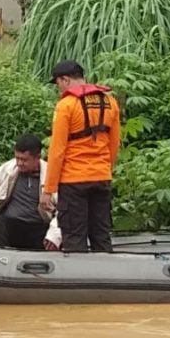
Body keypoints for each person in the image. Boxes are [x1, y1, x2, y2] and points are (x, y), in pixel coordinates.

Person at [40, 60, 121, 253]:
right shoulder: (110, 102)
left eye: (58, 83)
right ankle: (107, 279)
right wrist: (104, 171)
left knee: (74, 238)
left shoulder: (66, 105)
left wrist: (48, 190)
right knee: (101, 235)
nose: (58, 88)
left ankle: (77, 281)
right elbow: (114, 144)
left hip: (73, 182)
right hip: (101, 178)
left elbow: (57, 151)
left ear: (65, 79)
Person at [0, 133, 61, 251]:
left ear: (37, 158)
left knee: (56, 237)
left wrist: (54, 235)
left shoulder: (50, 175)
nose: (19, 163)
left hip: (38, 228)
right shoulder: (9, 168)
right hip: (11, 225)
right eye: (17, 158)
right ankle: (3, 257)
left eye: (24, 160)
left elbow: (64, 210)